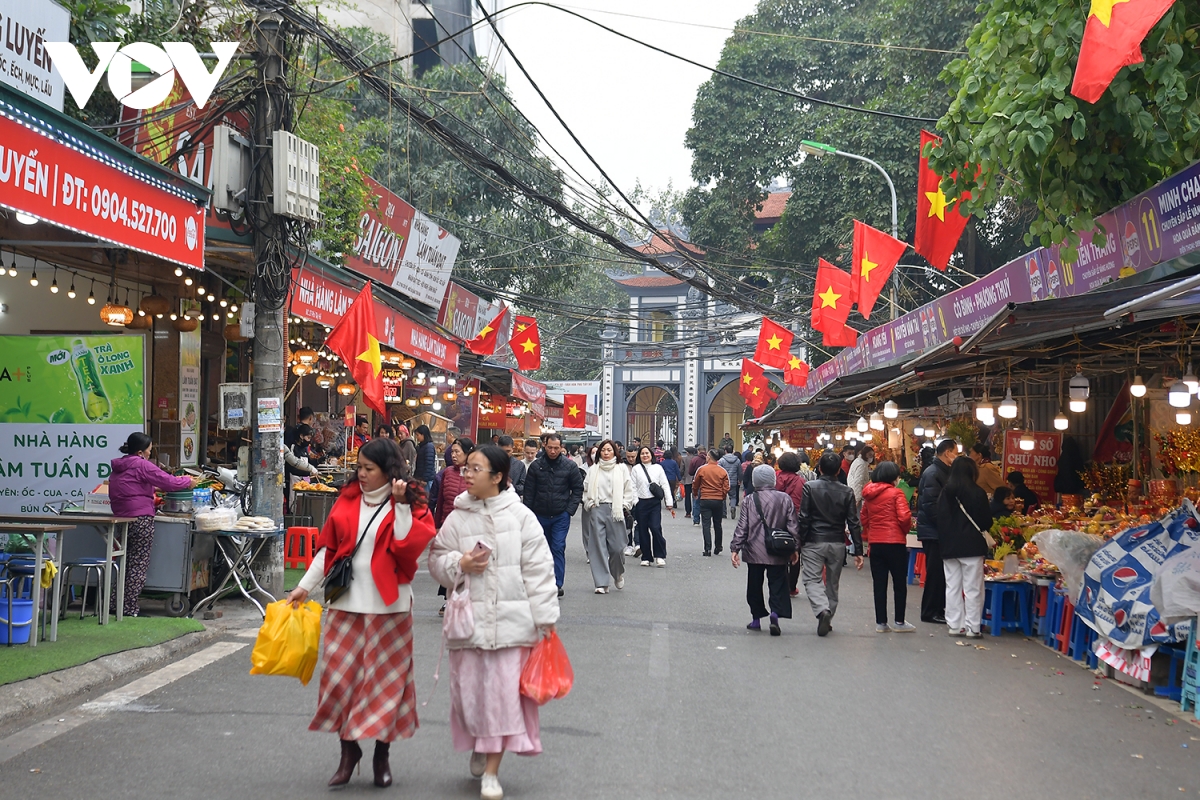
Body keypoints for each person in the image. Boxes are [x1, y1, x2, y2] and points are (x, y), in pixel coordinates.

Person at [286, 438, 436, 789]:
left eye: (369, 469)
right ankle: (348, 750)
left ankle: (382, 754)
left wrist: (399, 505)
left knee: (387, 685)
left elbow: (406, 547)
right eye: (359, 468)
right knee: (340, 682)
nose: (362, 475)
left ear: (389, 469)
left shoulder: (413, 499)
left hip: (391, 606)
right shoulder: (348, 497)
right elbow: (329, 549)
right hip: (345, 604)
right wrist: (305, 586)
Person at [428, 445, 559, 800]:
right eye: (466, 468)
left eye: (475, 469)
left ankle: (492, 770)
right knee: (468, 698)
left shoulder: (521, 518)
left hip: (512, 626)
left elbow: (539, 571)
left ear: (498, 476)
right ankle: (479, 743)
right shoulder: (457, 518)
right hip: (467, 626)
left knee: (502, 699)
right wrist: (460, 564)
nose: (466, 474)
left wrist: (545, 619)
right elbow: (437, 560)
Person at [107, 432, 199, 616]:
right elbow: (169, 482)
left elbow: (131, 485)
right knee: (138, 563)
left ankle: (113, 604)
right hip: (141, 518)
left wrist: (151, 488)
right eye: (149, 450)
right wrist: (188, 481)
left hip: (121, 518)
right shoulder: (142, 465)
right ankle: (128, 608)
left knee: (124, 562)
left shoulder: (120, 466)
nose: (150, 453)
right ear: (141, 452)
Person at [798, 451, 863, 637]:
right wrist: (858, 550)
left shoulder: (810, 487)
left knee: (811, 578)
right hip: (837, 542)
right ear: (838, 471)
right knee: (833, 583)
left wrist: (799, 542)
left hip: (814, 541)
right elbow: (853, 522)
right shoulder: (847, 491)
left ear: (819, 469)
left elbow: (804, 517)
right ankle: (828, 616)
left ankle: (821, 610)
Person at [731, 465, 800, 635]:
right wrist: (795, 547)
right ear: (773, 479)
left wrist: (735, 548)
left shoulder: (749, 500)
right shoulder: (784, 498)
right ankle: (775, 613)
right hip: (778, 549)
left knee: (754, 585)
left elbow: (743, 526)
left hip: (754, 550)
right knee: (778, 582)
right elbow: (793, 525)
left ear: (755, 481)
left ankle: (756, 619)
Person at [522, 433, 584, 596]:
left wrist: (569, 510)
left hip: (560, 515)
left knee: (557, 546)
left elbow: (577, 489)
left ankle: (557, 583)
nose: (553, 451)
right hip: (539, 514)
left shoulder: (569, 466)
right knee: (540, 549)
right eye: (550, 447)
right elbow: (529, 492)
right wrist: (527, 514)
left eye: (556, 448)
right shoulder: (536, 466)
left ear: (561, 448)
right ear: (544, 446)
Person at [938, 456, 993, 638]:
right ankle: (973, 627)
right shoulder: (978, 493)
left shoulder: (946, 492)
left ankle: (955, 625)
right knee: (973, 588)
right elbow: (986, 522)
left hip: (949, 546)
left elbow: (939, 518)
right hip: (972, 546)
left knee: (952, 586)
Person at [861, 461, 916, 633]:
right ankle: (899, 621)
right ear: (893, 477)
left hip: (876, 543)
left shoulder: (868, 495)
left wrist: (873, 529)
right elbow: (905, 517)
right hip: (895, 543)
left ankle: (881, 623)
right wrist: (903, 531)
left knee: (879, 583)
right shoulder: (896, 493)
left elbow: (863, 518)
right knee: (899, 583)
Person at [581, 440, 633, 593]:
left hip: (615, 510)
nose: (606, 453)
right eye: (603, 450)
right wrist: (589, 503)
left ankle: (617, 573)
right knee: (598, 547)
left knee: (617, 548)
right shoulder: (593, 469)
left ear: (614, 452)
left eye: (609, 450)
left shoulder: (621, 468)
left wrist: (624, 505)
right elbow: (585, 489)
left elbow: (628, 489)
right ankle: (601, 583)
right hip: (597, 508)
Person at [917, 439, 957, 625]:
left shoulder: (941, 471)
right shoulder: (934, 473)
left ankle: (938, 610)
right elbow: (931, 505)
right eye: (955, 452)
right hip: (934, 531)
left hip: (937, 530)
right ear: (947, 452)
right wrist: (946, 525)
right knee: (935, 572)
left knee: (940, 573)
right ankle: (930, 612)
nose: (956, 457)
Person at [630, 445, 675, 567]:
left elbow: (665, 484)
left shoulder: (658, 468)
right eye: (642, 453)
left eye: (647, 453)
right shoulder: (636, 469)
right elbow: (632, 486)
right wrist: (635, 501)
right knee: (643, 530)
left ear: (651, 455)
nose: (645, 455)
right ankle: (646, 557)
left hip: (654, 502)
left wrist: (669, 501)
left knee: (655, 528)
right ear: (639, 456)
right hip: (641, 502)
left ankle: (659, 555)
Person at [775, 452, 807, 598]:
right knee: (795, 552)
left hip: (776, 519)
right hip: (796, 520)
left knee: (777, 549)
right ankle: (791, 586)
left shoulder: (775, 478)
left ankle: (778, 583)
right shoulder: (801, 482)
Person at [693, 448, 731, 556]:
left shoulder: (702, 469)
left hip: (705, 498)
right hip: (718, 500)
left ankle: (707, 548)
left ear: (709, 457)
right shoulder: (722, 471)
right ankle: (718, 546)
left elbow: (696, 483)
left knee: (706, 524)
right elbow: (727, 487)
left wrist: (695, 493)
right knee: (717, 524)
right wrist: (722, 496)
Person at [622, 445, 640, 555]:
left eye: (633, 456)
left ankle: (638, 544)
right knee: (627, 522)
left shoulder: (641, 465)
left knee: (639, 522)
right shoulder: (622, 466)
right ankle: (628, 545)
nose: (631, 459)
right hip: (626, 498)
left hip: (639, 498)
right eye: (629, 456)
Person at [719, 446, 742, 519]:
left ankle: (724, 513)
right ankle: (733, 506)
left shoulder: (722, 460)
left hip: (723, 481)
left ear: (725, 451)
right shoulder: (737, 460)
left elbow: (719, 471)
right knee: (733, 496)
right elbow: (740, 471)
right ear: (732, 451)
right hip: (733, 481)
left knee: (723, 497)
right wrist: (739, 479)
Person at [413, 425, 437, 493]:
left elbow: (429, 464)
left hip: (426, 480)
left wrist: (424, 479)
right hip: (420, 478)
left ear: (423, 434)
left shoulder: (429, 446)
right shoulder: (422, 446)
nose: (417, 437)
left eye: (418, 435)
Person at [686, 447, 706, 524]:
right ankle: (706, 519)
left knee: (696, 501)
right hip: (707, 483)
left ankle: (696, 519)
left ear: (698, 451)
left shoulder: (695, 460)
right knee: (705, 502)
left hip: (697, 481)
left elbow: (690, 472)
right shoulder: (709, 459)